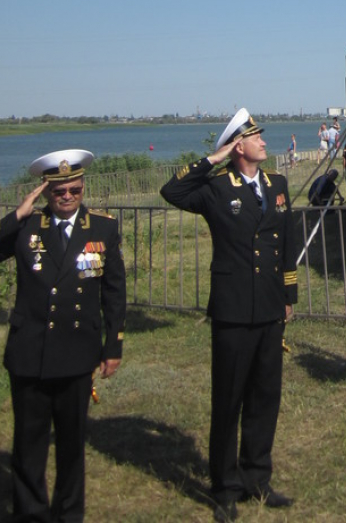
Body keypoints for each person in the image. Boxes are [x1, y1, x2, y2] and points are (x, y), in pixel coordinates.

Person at [160, 109, 298, 521]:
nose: (264, 143)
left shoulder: (279, 184)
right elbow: (172, 191)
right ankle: (224, 487)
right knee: (229, 400)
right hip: (234, 309)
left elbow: (286, 241)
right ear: (239, 146)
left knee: (264, 396)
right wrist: (212, 159)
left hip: (270, 305)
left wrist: (288, 293)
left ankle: (257, 476)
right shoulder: (217, 189)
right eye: (256, 138)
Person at [0, 148, 126, 522]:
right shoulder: (27, 227)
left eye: (74, 188)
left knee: (72, 446)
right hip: (30, 354)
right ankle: (31, 514)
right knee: (29, 444)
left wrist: (113, 345)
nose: (68, 196)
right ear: (46, 192)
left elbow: (114, 292)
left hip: (76, 353)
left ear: (83, 186)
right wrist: (16, 215)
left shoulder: (102, 228)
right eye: (59, 191)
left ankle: (69, 514)